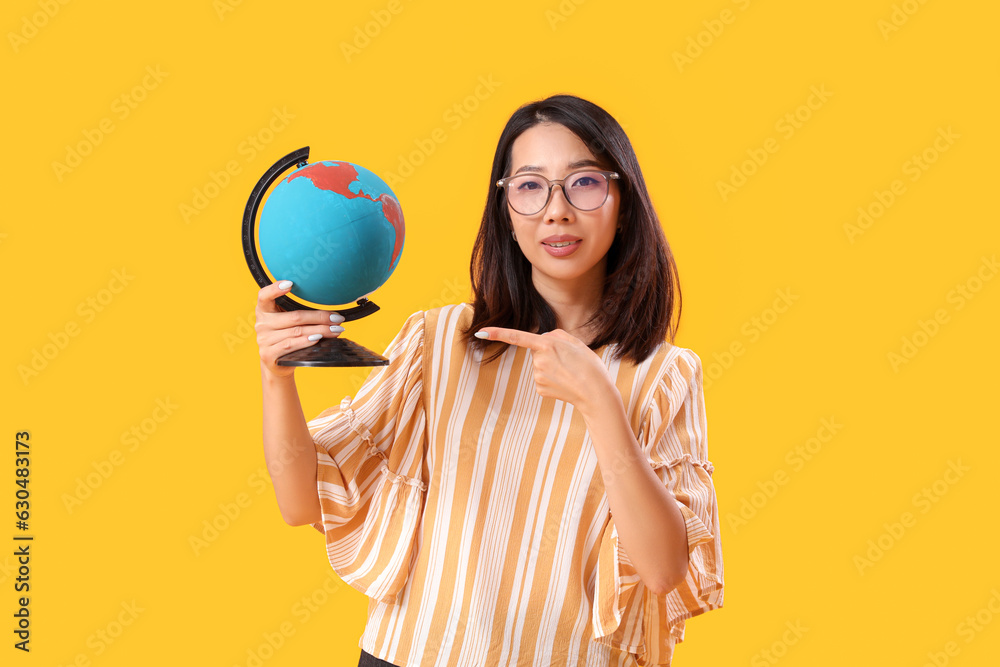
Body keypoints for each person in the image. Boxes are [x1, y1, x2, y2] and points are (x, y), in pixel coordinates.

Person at [255, 94, 724, 666]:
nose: (556, 211)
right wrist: (276, 378)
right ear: (505, 208)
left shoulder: (666, 374)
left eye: (584, 183)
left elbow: (663, 569)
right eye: (530, 186)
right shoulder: (439, 340)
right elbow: (300, 501)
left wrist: (601, 404)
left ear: (622, 202)